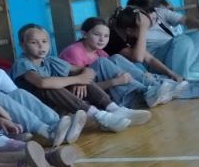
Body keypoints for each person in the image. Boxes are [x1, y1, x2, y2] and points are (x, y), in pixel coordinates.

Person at [0, 31, 86, 146]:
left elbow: (17, 98)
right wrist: (1, 117)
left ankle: (56, 124)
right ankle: (46, 131)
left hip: (3, 118)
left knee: (18, 92)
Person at [12, 25, 149, 133]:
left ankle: (114, 109)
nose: (41, 46)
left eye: (44, 41)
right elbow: (42, 82)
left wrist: (81, 79)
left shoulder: (50, 60)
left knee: (77, 78)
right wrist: (78, 79)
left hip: (59, 104)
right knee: (51, 85)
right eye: (34, 42)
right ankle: (98, 116)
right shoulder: (22, 63)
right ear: (23, 45)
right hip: (38, 109)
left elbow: (87, 70)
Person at [60, 18, 182, 107]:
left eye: (106, 36)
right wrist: (115, 82)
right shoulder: (74, 52)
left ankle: (155, 85)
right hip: (88, 97)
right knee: (103, 62)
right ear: (84, 34)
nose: (102, 39)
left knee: (116, 58)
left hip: (107, 90)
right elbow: (82, 90)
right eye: (97, 35)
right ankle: (147, 91)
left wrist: (142, 73)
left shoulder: (100, 52)